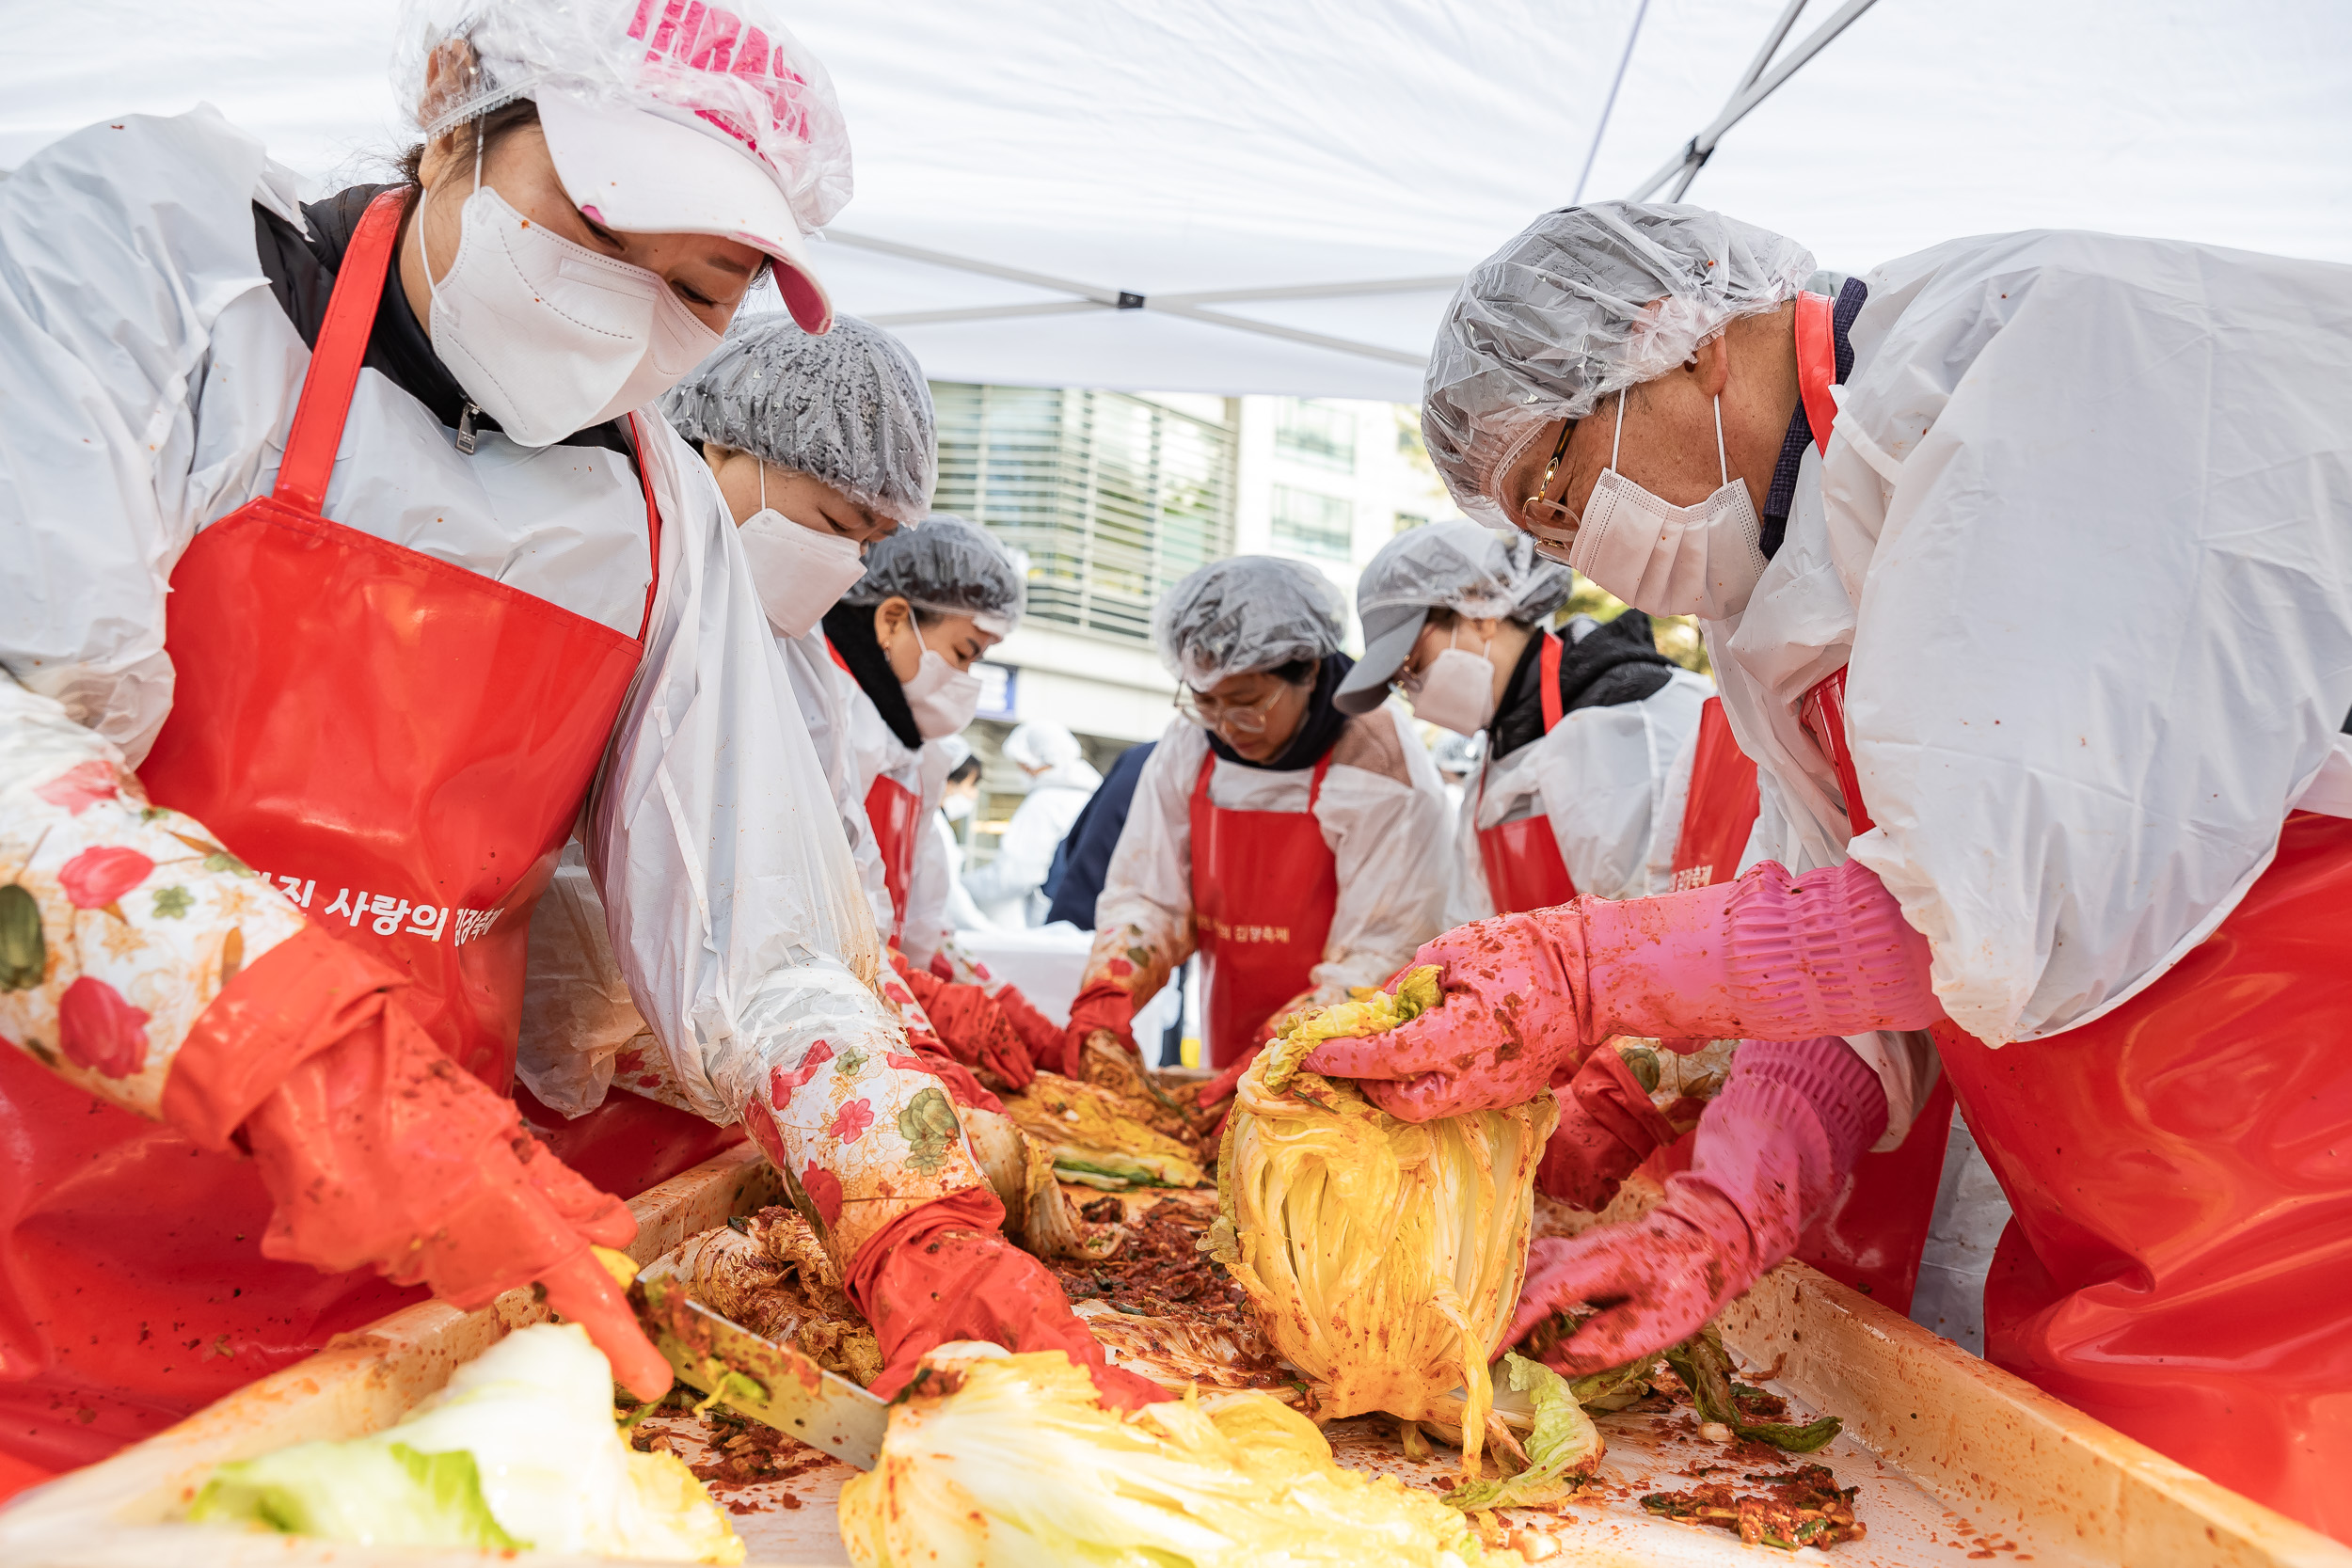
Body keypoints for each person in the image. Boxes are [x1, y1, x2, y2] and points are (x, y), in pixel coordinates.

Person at [0, 0, 1146, 1488]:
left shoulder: (660, 514)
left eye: (701, 289)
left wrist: (908, 1206)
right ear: (455, 100)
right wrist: (306, 1057)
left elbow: (761, 950)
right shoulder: (154, 261)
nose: (627, 314)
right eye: (603, 231)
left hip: (415, 1302)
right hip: (40, 1249)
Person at [1310, 200, 2352, 1534]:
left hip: (2305, 1186)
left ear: (1674, 341)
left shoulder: (2027, 355)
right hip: (2113, 1209)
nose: (1579, 552)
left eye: (1559, 493)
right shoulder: (1775, 601)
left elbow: (1989, 899)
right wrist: (1716, 1215)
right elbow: (1838, 966)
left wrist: (1592, 968)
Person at [1065, 558, 1454, 1081]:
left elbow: (1383, 951)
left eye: (1247, 703)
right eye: (1206, 702)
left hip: (1343, 1061)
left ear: (1310, 670)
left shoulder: (1379, 762)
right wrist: (1110, 990)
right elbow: (1150, 895)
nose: (1227, 727)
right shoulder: (1189, 744)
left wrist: (1277, 1051)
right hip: (1224, 1038)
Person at [1336, 518, 1707, 911]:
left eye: (1412, 664)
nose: (1412, 693)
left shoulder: (1635, 712)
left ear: (1479, 612)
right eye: (1400, 682)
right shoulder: (1494, 759)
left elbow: (1660, 921)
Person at [963, 721, 1102, 927]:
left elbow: (1013, 877)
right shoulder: (1090, 796)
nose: (1022, 770)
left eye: (1023, 763)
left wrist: (961, 887)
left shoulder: (1046, 802)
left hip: (1048, 919)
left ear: (1040, 759)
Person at [1043, 741, 1158, 930]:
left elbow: (1073, 842)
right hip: (1107, 919)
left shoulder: (1141, 757)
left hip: (1079, 907)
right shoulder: (1181, 760)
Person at [933, 739, 991, 933]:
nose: (974, 795)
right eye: (970, 785)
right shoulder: (934, 825)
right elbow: (950, 892)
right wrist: (986, 930)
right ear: (949, 783)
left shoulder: (937, 821)